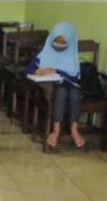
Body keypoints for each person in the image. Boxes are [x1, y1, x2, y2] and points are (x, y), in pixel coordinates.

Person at [27, 21, 87, 150]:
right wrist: (37, 71)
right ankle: (56, 129)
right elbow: (29, 70)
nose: (59, 46)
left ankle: (74, 129)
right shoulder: (44, 52)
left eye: (63, 43)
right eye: (56, 42)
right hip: (51, 86)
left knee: (75, 93)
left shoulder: (72, 54)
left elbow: (75, 77)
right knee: (61, 92)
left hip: (69, 84)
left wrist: (57, 71)